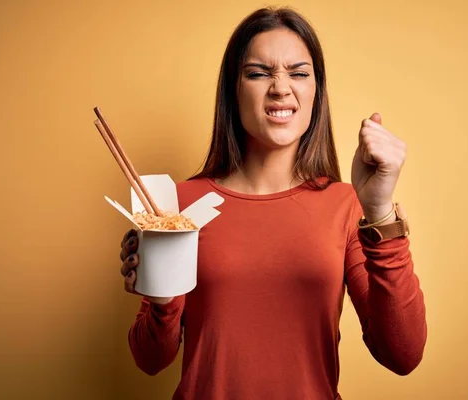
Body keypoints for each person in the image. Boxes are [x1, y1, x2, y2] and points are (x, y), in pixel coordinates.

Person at [118, 6, 427, 400]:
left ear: (317, 91)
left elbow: (403, 354)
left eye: (299, 73)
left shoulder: (347, 204)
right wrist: (160, 293)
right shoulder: (178, 204)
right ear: (234, 88)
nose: (281, 88)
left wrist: (381, 210)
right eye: (259, 73)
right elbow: (150, 359)